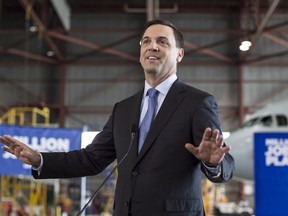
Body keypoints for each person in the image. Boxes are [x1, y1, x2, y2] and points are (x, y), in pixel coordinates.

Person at [0, 19, 234, 216]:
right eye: (146, 41)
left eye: (162, 42)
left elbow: (226, 165)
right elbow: (92, 159)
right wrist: (39, 159)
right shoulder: (123, 109)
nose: (152, 46)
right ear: (140, 52)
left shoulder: (197, 102)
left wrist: (213, 163)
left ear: (179, 54)